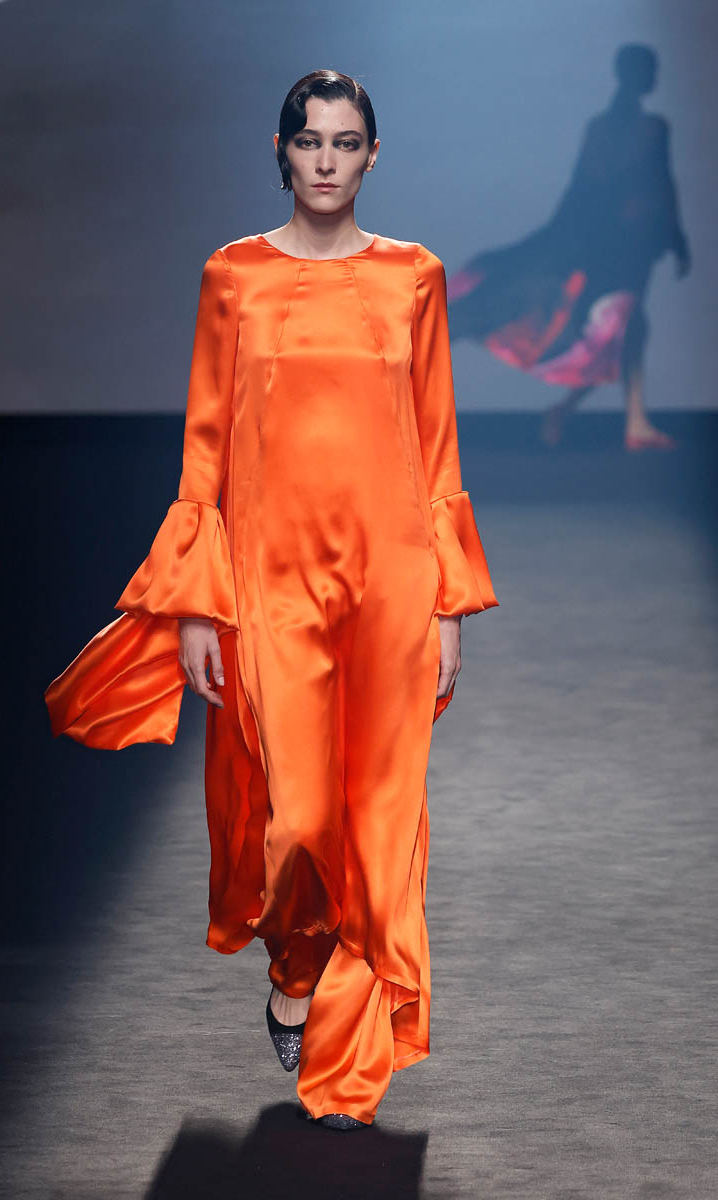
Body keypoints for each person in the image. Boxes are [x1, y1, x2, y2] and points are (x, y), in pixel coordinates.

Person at [44, 69, 498, 1131]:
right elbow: (204, 447)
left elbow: (436, 446)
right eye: (309, 141)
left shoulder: (413, 277)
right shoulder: (234, 276)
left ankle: (348, 1050)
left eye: (346, 142)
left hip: (391, 579)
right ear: (282, 153)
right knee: (295, 820)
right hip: (268, 579)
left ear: (372, 156)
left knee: (378, 818)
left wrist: (445, 604)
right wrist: (196, 603)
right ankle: (294, 964)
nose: (326, 160)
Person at [444, 43, 691, 452]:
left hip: (628, 238)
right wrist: (677, 238)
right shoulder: (648, 128)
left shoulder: (607, 127)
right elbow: (658, 184)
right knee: (623, 326)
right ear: (636, 74)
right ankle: (618, 420)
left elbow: (596, 188)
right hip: (626, 241)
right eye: (650, 69)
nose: (654, 77)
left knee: (629, 325)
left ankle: (617, 419)